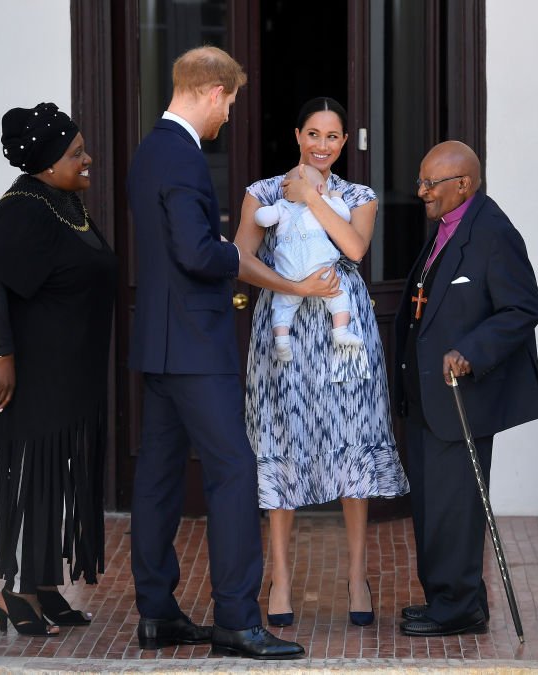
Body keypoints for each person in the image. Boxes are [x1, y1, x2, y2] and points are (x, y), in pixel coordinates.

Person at [127, 46, 331, 659]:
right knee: (235, 471)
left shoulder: (147, 151)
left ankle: (157, 613)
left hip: (159, 343)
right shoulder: (185, 156)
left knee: (158, 478)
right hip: (196, 343)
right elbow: (194, 252)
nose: (229, 116)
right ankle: (238, 620)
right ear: (214, 91)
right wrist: (235, 255)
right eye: (232, 102)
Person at [234, 96, 410, 629]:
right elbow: (238, 260)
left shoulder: (359, 195)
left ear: (344, 142)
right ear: (297, 135)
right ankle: (281, 577)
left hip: (343, 332)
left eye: (333, 137)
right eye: (314, 134)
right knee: (283, 440)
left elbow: (354, 248)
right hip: (284, 326)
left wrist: (311, 196)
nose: (323, 145)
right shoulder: (261, 194)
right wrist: (294, 285)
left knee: (352, 439)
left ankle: (357, 576)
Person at [0, 102, 116, 637]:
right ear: (48, 162)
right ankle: (14, 592)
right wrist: (2, 358)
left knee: (58, 479)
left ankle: (44, 584)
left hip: (70, 373)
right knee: (36, 479)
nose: (87, 157)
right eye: (76, 152)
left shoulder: (62, 201)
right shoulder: (25, 206)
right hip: (36, 377)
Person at [394, 141, 538, 637]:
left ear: (463, 184)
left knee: (455, 505)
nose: (421, 193)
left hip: (463, 396)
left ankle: (457, 607)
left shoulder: (495, 233)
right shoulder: (446, 228)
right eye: (421, 181)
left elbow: (522, 309)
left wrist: (472, 352)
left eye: (430, 183)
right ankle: (448, 597)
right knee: (431, 504)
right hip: (427, 396)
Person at [255, 163, 363, 361]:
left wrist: (263, 211)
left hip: (289, 268)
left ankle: (281, 340)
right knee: (338, 295)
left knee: (282, 304)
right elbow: (345, 215)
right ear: (321, 188)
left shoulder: (281, 206)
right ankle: (340, 332)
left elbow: (262, 219)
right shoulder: (323, 202)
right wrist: (335, 198)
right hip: (318, 263)